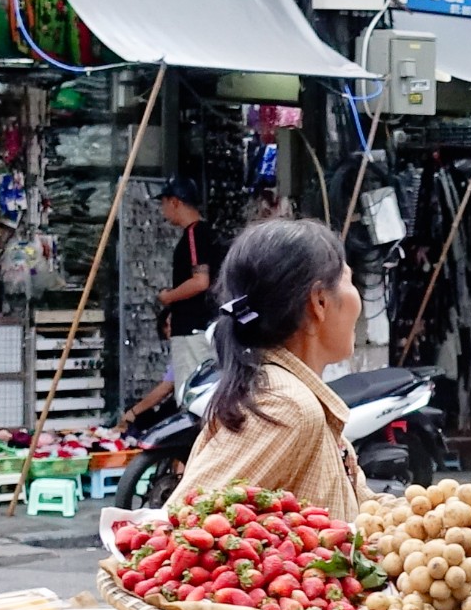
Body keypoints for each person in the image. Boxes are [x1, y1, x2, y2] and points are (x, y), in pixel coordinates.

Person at [169, 217, 368, 518]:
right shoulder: (288, 407)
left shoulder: (301, 402)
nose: (358, 298)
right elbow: (187, 524)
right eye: (349, 280)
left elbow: (368, 512)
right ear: (319, 302)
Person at [155, 177, 219, 397]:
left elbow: (200, 280)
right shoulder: (205, 233)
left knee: (190, 396)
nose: (163, 210)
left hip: (192, 330)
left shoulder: (194, 233)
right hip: (200, 327)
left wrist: (169, 297)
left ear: (174, 202)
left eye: (164, 203)